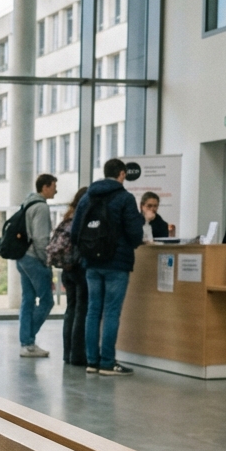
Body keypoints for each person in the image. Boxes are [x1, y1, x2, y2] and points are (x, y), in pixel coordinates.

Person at [71, 157, 145, 376]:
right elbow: (135, 233)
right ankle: (107, 362)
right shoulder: (125, 198)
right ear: (122, 174)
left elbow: (75, 232)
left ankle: (92, 361)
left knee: (93, 311)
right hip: (117, 263)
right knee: (111, 312)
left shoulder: (87, 197)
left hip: (92, 263)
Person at [17, 174, 57, 357]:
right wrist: (46, 261)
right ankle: (28, 339)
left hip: (22, 257)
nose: (56, 190)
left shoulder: (27, 203)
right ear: (45, 187)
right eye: (54, 186)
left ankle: (27, 344)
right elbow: (41, 239)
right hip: (34, 259)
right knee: (47, 300)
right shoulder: (41, 207)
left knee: (28, 300)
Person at [52, 187, 88, 367]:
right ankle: (78, 355)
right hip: (79, 268)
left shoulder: (68, 217)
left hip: (67, 270)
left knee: (71, 310)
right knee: (82, 310)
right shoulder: (82, 219)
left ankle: (67, 353)